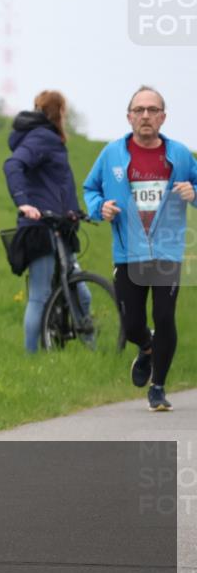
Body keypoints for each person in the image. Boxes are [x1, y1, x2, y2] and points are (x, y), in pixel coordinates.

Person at [83, 86, 197, 411]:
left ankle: (158, 388)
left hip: (168, 251)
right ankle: (146, 347)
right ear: (129, 116)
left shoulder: (180, 155)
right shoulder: (112, 154)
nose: (145, 115)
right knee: (131, 323)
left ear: (163, 117)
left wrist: (194, 192)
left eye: (152, 110)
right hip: (128, 251)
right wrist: (99, 207)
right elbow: (91, 188)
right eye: (139, 110)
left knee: (164, 317)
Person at [3, 90, 90, 353]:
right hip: (40, 228)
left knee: (82, 293)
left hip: (60, 226)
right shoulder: (41, 138)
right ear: (59, 112)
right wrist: (24, 203)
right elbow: (13, 165)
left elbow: (58, 184)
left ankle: (90, 349)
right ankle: (32, 358)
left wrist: (74, 211)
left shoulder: (50, 139)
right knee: (39, 295)